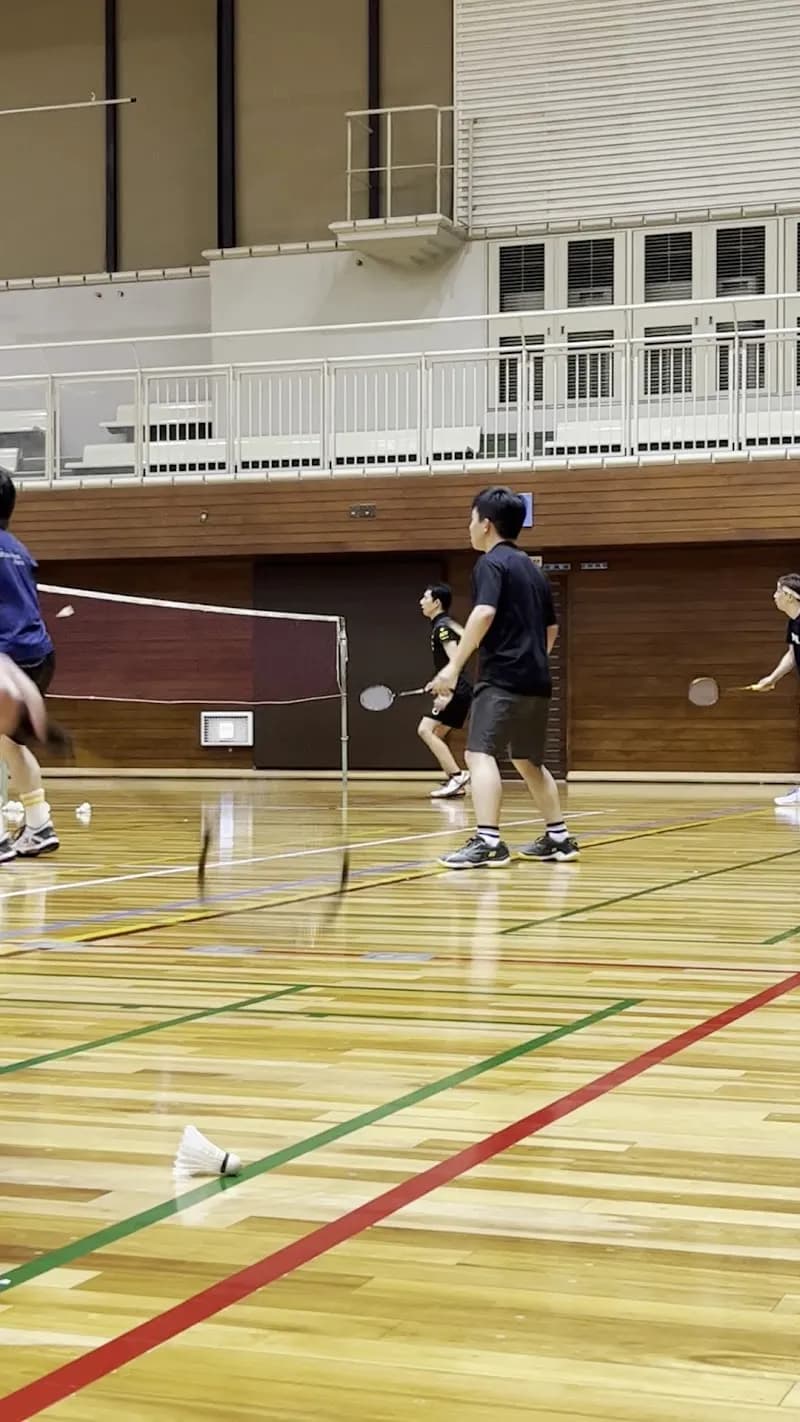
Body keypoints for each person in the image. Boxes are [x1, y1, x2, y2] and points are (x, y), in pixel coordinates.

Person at [429, 485, 577, 869]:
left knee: (478, 754)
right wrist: (532, 661)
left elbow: (482, 614)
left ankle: (489, 841)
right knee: (528, 759)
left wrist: (453, 667)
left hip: (502, 679)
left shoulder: (491, 563)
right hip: (537, 681)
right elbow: (551, 632)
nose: (469, 526)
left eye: (471, 518)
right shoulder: (533, 569)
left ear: (487, 524)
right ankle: (559, 838)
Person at [0, 472, 59, 860]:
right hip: (38, 656)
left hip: (6, 658)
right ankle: (37, 825)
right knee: (9, 744)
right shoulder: (18, 549)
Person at [418, 583, 472, 799]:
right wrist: (436, 681)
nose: (421, 602)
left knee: (425, 730)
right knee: (437, 733)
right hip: (460, 688)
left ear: (436, 603)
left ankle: (457, 776)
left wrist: (446, 693)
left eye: (425, 597)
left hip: (457, 689)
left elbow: (456, 660)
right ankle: (454, 779)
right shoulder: (442, 625)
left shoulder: (442, 628)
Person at [751, 573, 800, 807]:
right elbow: (792, 655)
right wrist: (772, 679)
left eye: (778, 591)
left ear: (790, 596)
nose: (774, 596)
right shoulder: (793, 622)